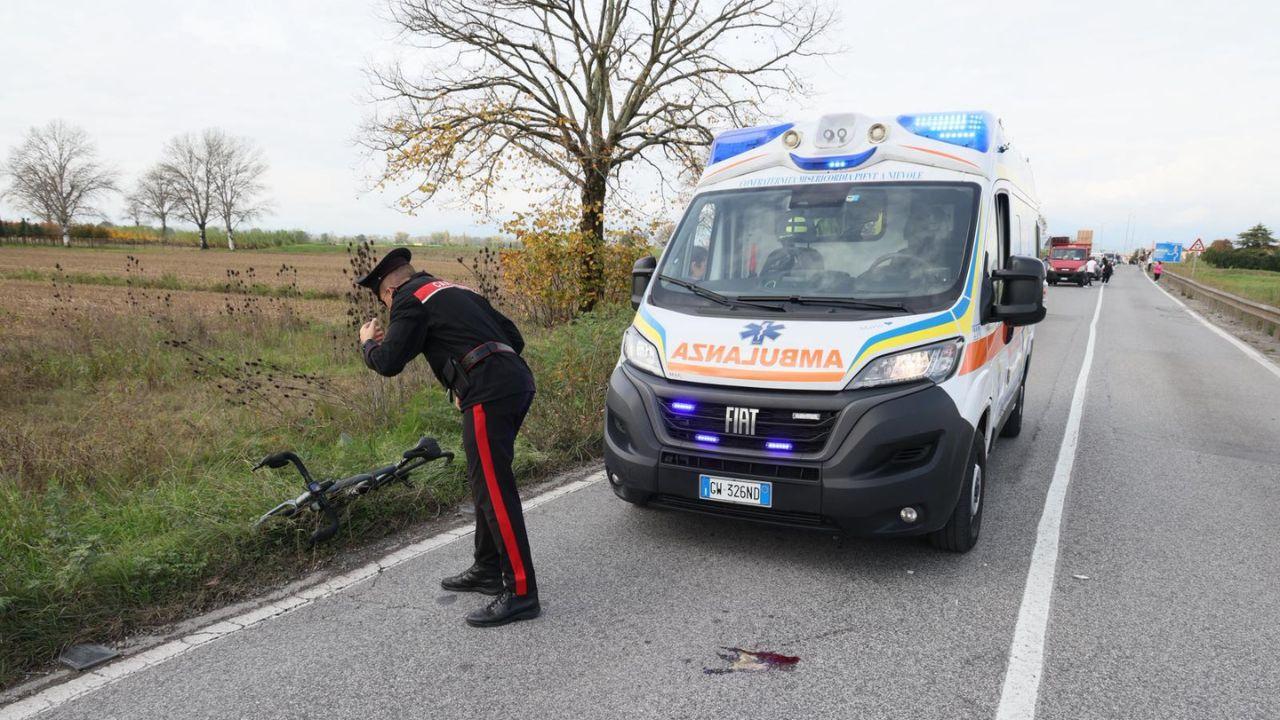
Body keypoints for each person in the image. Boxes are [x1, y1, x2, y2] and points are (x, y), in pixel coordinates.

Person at [355, 248, 540, 628]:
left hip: (489, 392)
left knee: (495, 490)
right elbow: (514, 338)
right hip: (513, 383)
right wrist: (465, 375)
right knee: (483, 482)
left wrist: (368, 344)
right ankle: (488, 569)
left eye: (385, 302)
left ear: (387, 292)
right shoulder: (456, 289)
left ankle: (521, 593)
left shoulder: (408, 299)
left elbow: (389, 362)